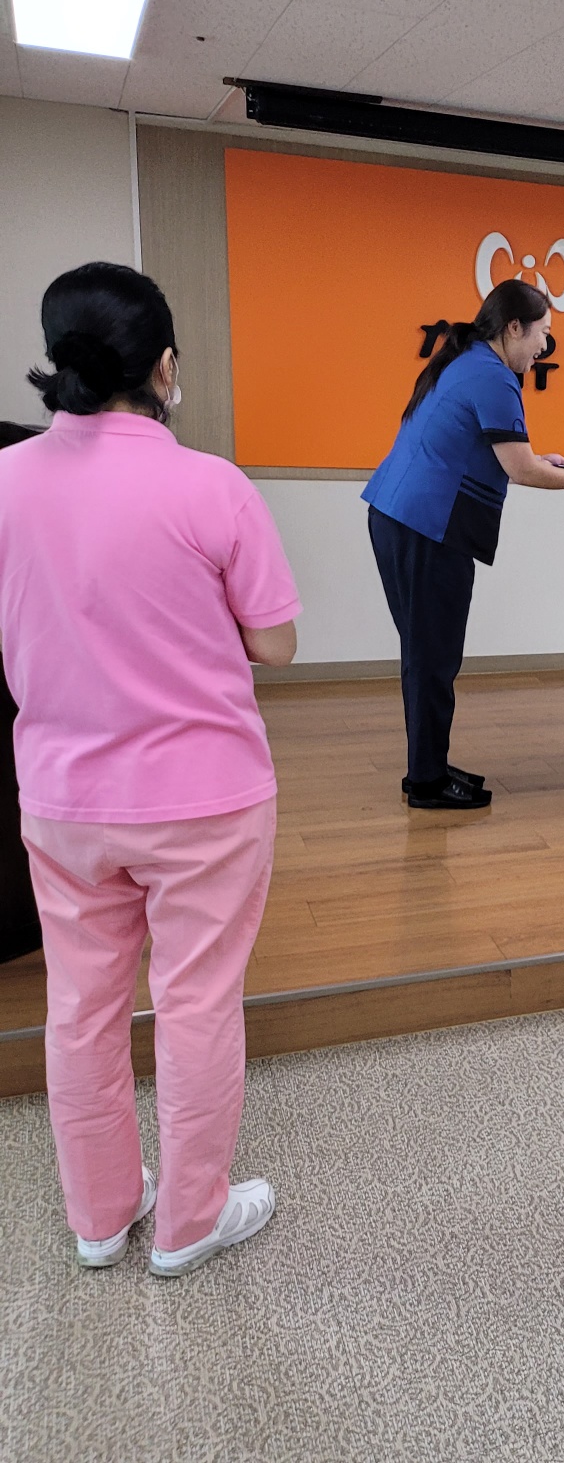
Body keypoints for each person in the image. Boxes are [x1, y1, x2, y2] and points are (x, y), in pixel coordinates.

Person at [0, 262, 302, 1276]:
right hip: (204, 799)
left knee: (81, 1004)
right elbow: (276, 645)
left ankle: (99, 1216)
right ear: (165, 367)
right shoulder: (211, 485)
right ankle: (189, 1222)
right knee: (197, 1002)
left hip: (63, 799)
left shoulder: (6, 481)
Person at [363, 280, 564, 810]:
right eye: (543, 333)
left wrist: (553, 461)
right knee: (433, 656)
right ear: (513, 327)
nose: (545, 346)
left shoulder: (469, 361)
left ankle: (429, 766)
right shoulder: (494, 376)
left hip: (402, 517)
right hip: (426, 525)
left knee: (427, 652)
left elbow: (501, 452)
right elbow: (522, 471)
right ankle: (427, 782)